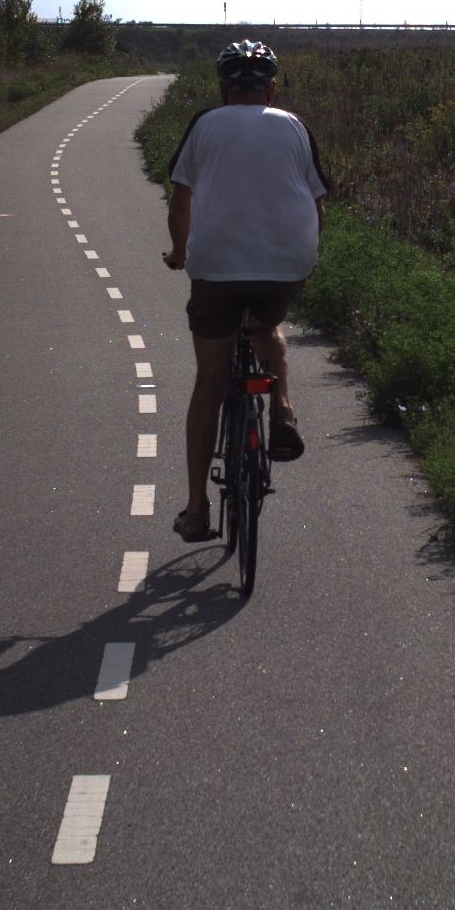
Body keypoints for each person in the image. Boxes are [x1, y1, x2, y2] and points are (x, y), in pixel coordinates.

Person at [161, 41, 330, 543]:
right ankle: (282, 407)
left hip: (216, 266)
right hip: (286, 261)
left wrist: (179, 252)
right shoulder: (295, 125)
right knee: (266, 326)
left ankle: (197, 511)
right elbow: (317, 207)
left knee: (210, 382)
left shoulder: (205, 124)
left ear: (223, 90)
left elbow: (180, 206)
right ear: (271, 90)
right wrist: (300, 256)